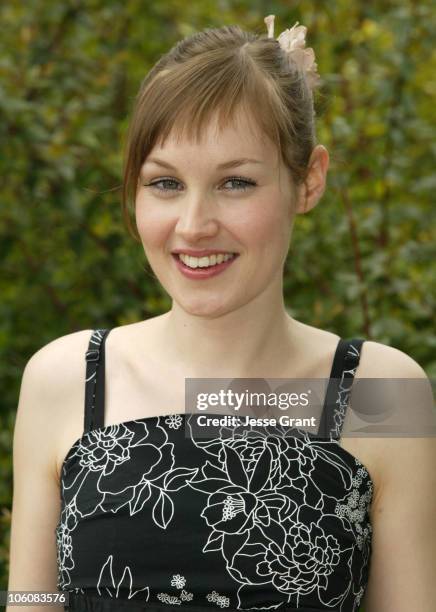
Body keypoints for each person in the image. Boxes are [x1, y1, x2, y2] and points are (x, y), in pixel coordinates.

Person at [7, 13, 435, 612]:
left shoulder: (382, 392)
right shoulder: (67, 378)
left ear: (308, 181)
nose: (194, 225)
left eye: (235, 182)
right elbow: (30, 599)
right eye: (165, 184)